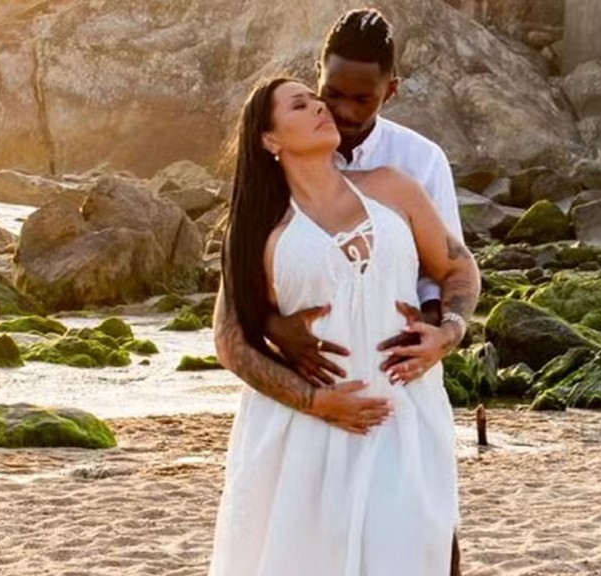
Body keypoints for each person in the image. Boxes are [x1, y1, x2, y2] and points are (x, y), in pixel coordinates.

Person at [224, 9, 470, 574]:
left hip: (399, 395)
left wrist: (446, 331)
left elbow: (450, 269)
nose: (343, 111)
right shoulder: (265, 204)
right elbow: (233, 326)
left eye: (365, 99)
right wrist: (273, 327)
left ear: (391, 91)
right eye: (328, 95)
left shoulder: (411, 168)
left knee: (427, 543)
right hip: (309, 414)